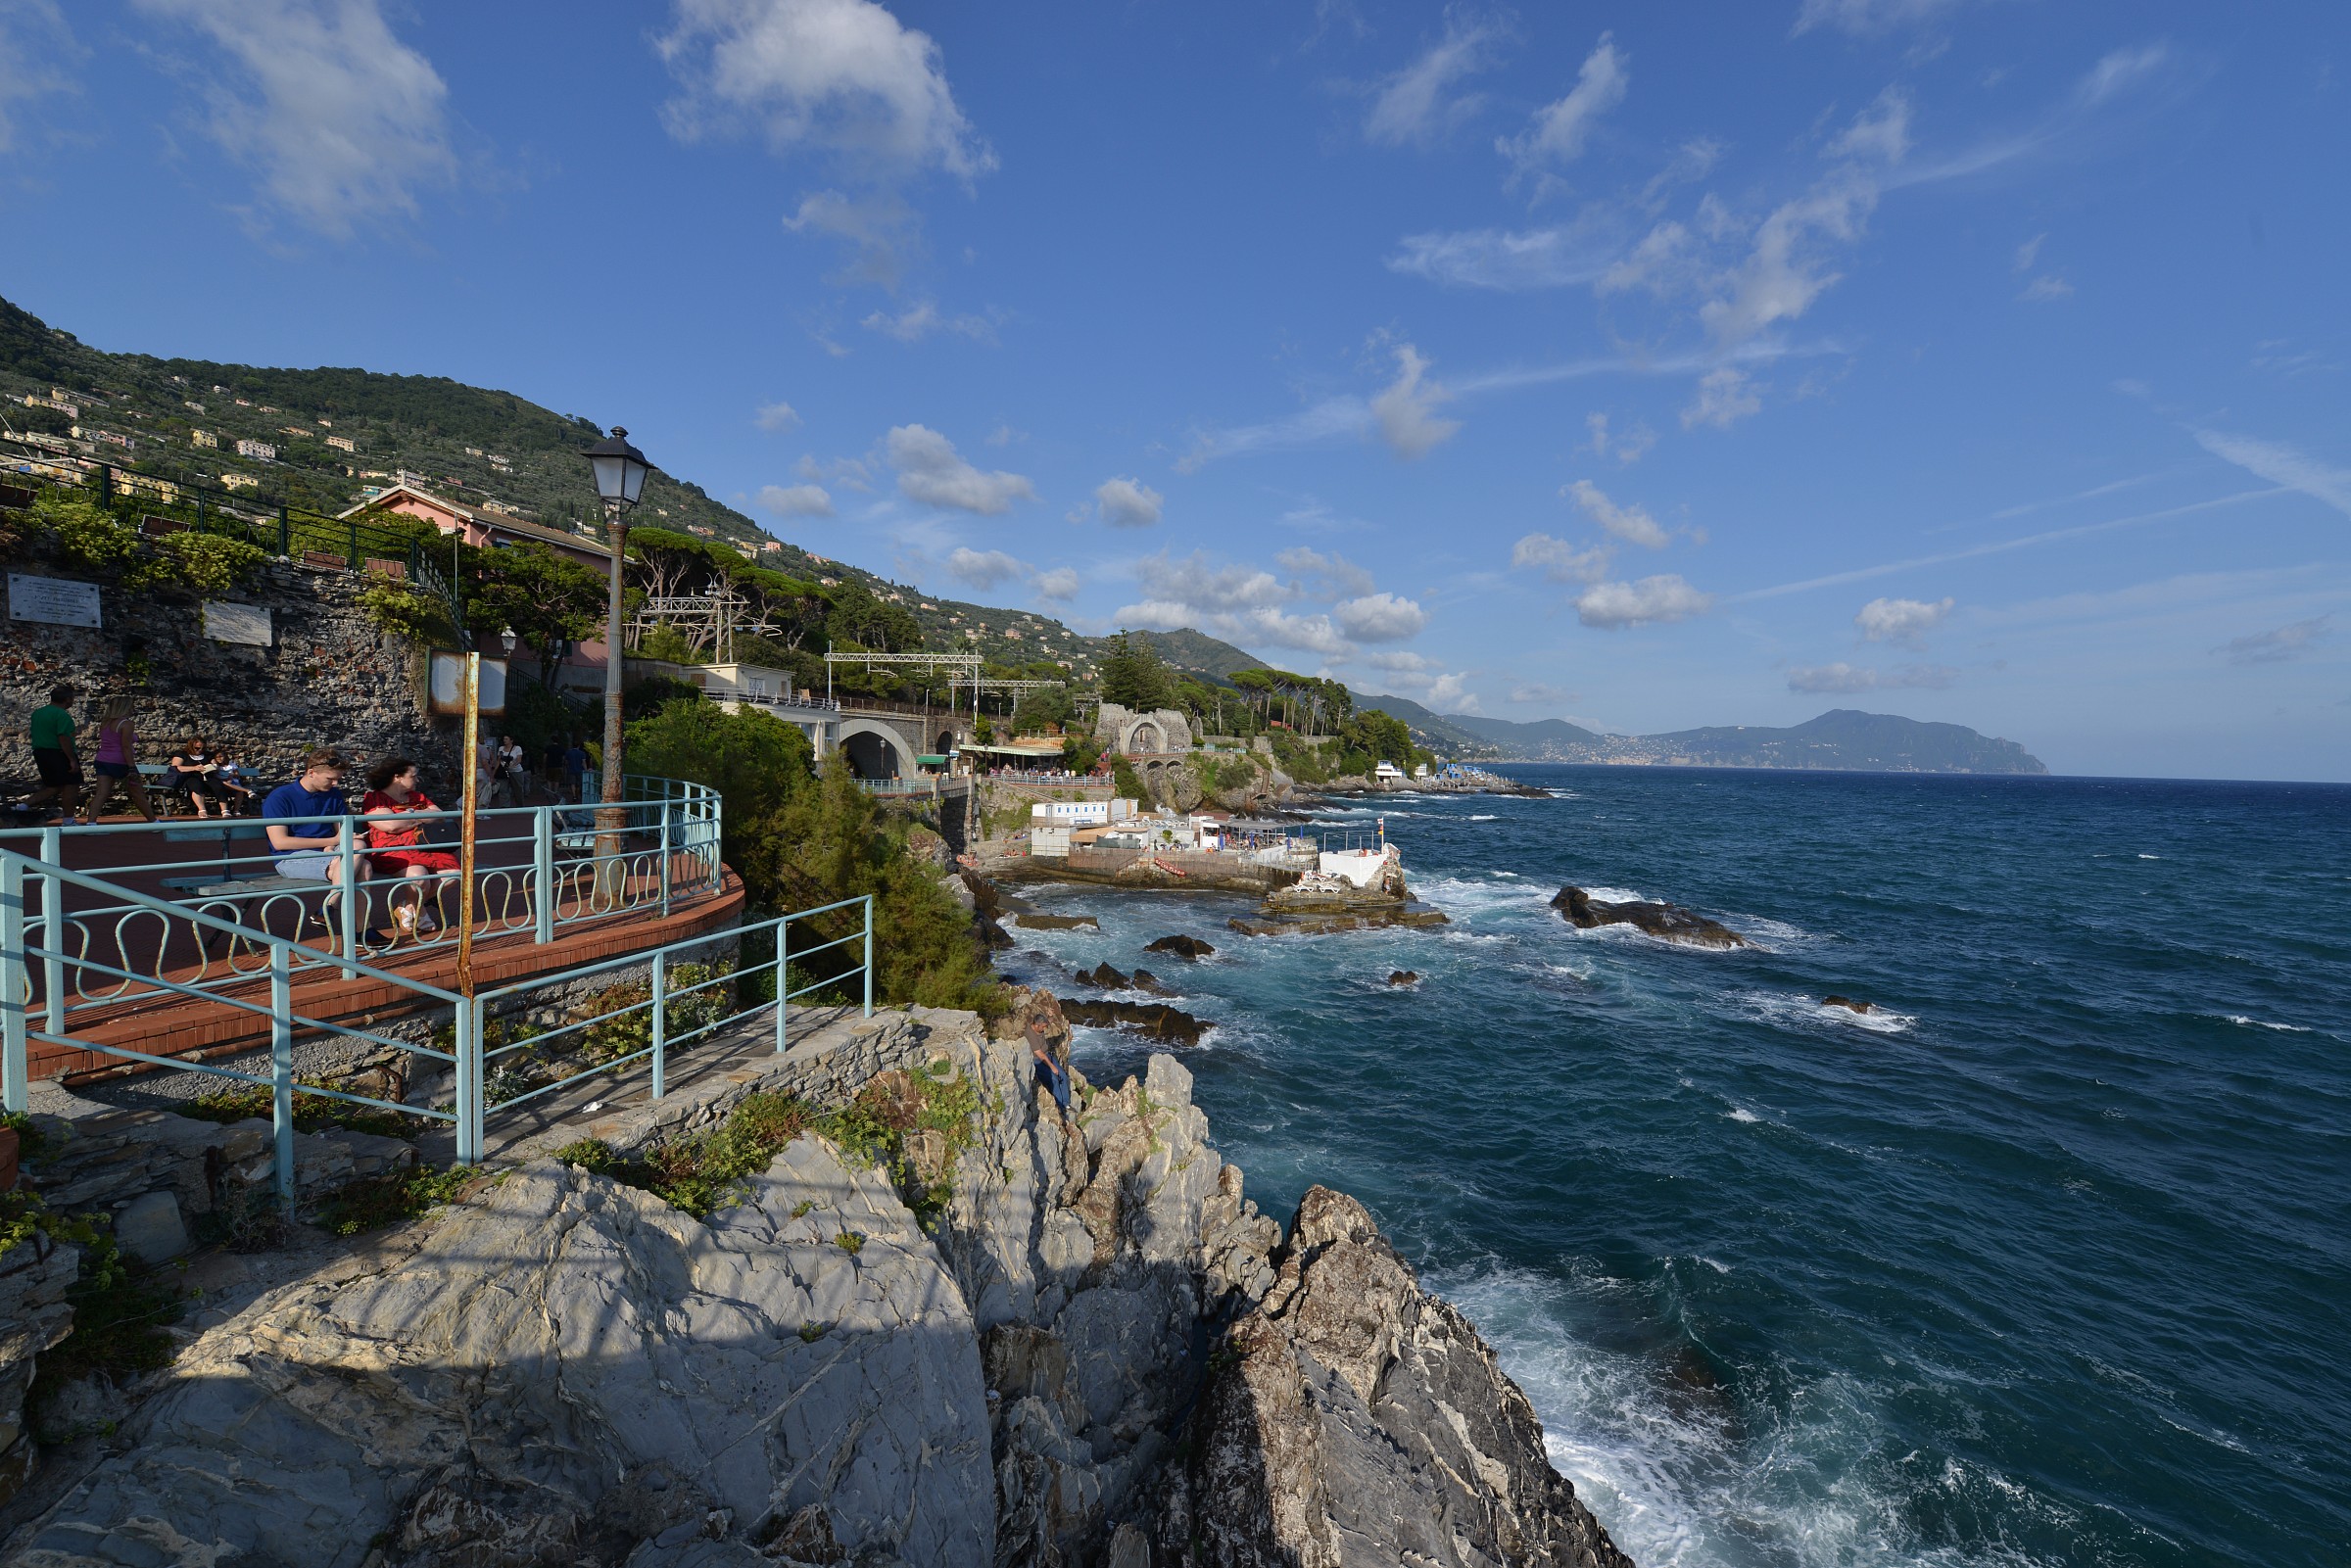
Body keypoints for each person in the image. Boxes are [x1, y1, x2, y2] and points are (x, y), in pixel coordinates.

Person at [262, 747, 379, 944]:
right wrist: (332, 842)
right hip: (290, 857)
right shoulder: (280, 796)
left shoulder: (332, 795)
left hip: (328, 855)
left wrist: (340, 841)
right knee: (363, 865)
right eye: (330, 779)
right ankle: (361, 929)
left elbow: (340, 833)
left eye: (338, 779)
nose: (335, 783)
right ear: (311, 773)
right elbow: (280, 842)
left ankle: (329, 907)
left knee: (359, 852)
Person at [360, 756, 458, 940]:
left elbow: (440, 816)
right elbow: (390, 827)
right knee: (419, 877)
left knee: (452, 875)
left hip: (423, 846)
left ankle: (410, 907)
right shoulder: (375, 798)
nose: (417, 780)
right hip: (391, 848)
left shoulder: (417, 797)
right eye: (413, 776)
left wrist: (409, 815)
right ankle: (419, 914)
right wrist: (420, 815)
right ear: (397, 777)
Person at [81, 696, 157, 825]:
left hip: (102, 760)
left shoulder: (105, 723)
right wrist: (132, 767)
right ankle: (153, 822)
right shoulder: (126, 724)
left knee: (101, 793)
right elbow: (125, 746)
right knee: (137, 793)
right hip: (120, 761)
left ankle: (91, 823)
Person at [24, 684, 80, 824]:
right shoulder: (62, 715)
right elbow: (63, 737)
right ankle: (68, 820)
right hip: (57, 753)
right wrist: (71, 759)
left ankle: (22, 807)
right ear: (67, 699)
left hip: (40, 752)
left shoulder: (38, 713)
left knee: (54, 786)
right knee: (71, 784)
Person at [168, 736, 230, 818]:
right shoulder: (182, 754)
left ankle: (225, 810)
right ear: (191, 746)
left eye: (202, 748)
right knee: (196, 786)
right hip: (191, 776)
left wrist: (213, 767)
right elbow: (175, 767)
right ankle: (202, 810)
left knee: (218, 786)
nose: (200, 750)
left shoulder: (207, 755)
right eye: (197, 748)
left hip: (207, 777)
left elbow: (215, 765)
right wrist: (194, 768)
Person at [1028, 1018, 1072, 1119]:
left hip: (1048, 1056)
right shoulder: (1030, 1036)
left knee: (1063, 1076)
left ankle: (1066, 1103)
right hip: (1038, 1061)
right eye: (1043, 1027)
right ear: (1037, 1025)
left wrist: (1050, 1017)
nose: (1044, 1030)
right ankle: (1060, 1106)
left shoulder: (1038, 1026)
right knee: (1054, 1080)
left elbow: (1046, 1020)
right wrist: (1052, 1067)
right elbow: (1040, 1055)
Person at [561, 735, 589, 804]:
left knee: (572, 784)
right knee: (579, 784)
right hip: (579, 770)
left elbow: (566, 762)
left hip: (571, 770)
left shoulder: (568, 753)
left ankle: (574, 796)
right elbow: (583, 762)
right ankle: (576, 794)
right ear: (578, 746)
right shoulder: (582, 753)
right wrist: (586, 770)